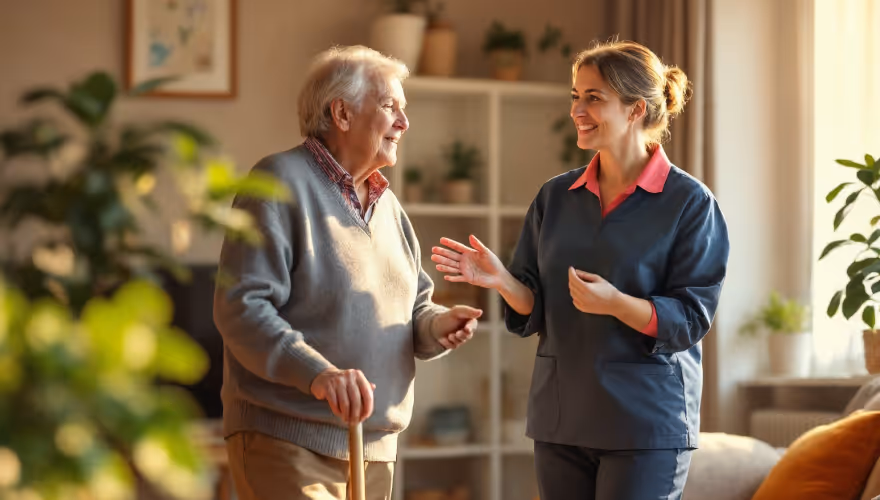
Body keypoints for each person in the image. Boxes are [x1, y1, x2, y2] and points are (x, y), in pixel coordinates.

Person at [431, 40, 729, 500]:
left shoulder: (690, 203)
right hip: (561, 419)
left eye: (593, 98)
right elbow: (537, 306)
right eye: (575, 96)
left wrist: (617, 304)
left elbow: (690, 317)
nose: (577, 110)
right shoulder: (555, 197)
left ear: (635, 110)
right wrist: (501, 280)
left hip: (645, 424)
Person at [214, 45, 483, 500]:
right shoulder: (278, 183)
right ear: (341, 113)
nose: (404, 122)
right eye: (390, 106)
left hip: (375, 448)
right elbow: (241, 308)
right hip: (287, 439)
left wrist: (438, 325)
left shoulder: (389, 208)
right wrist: (318, 374)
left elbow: (414, 308)